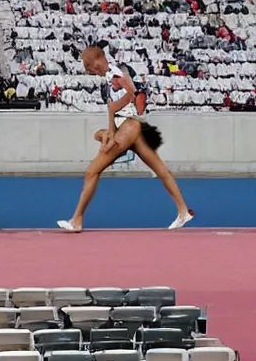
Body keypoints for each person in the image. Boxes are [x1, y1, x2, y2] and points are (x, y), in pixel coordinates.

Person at [57, 41, 194, 231]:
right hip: (133, 128)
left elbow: (132, 93)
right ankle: (183, 211)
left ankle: (77, 220)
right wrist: (111, 129)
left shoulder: (115, 74)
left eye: (89, 66)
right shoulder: (110, 76)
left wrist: (113, 114)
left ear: (97, 61)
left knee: (92, 171)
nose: (90, 70)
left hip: (129, 128)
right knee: (160, 168)